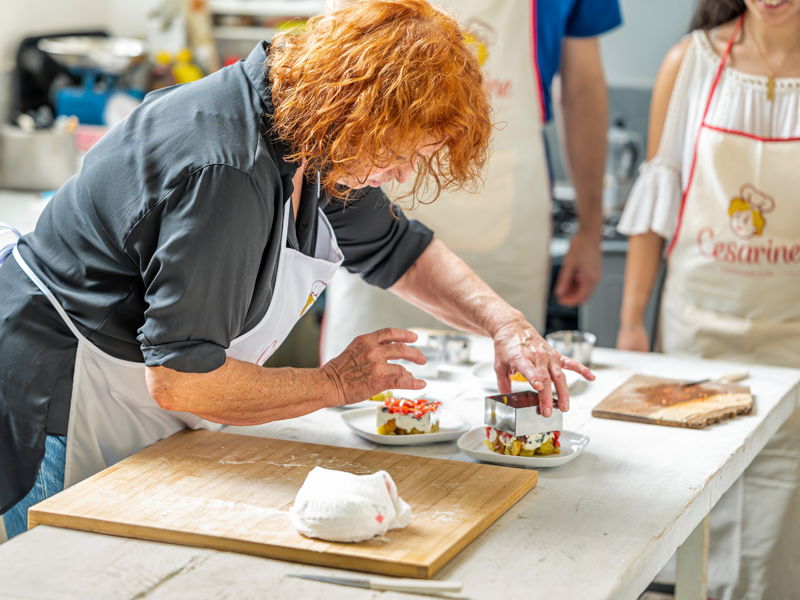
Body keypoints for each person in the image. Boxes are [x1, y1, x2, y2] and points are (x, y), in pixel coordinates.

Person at [0, 0, 593, 538]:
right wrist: (336, 384)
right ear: (358, 110)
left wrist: (505, 324)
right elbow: (185, 379)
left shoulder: (312, 129)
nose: (404, 176)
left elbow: (396, 249)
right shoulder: (226, 173)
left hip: (132, 397)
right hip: (58, 397)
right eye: (400, 155)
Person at [616, 1, 800, 597]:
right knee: (696, 495)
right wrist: (631, 326)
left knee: (781, 505)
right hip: (695, 331)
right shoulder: (691, 62)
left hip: (794, 337)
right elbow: (656, 201)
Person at [321, 0, 622, 361]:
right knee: (363, 393)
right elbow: (337, 68)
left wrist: (590, 229)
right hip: (370, 205)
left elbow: (583, 88)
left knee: (505, 385)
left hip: (506, 218)